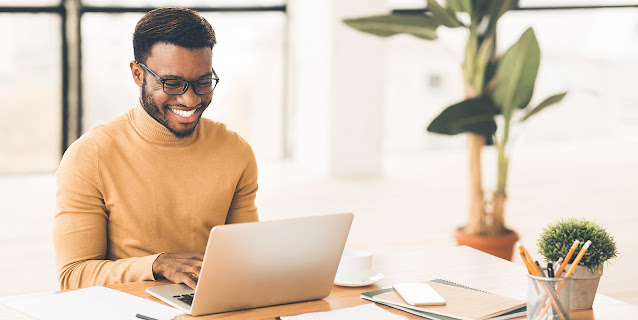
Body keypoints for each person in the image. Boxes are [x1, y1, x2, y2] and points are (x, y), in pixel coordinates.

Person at [53, 7, 259, 291]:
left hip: (211, 306)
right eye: (172, 83)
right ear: (138, 74)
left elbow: (247, 257)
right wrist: (157, 264)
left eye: (203, 82)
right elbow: (73, 276)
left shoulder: (236, 151)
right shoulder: (90, 156)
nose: (189, 100)